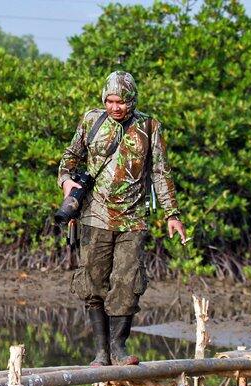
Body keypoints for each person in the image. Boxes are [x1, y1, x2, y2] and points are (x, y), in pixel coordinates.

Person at [57, 71, 186, 366]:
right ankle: (101, 352)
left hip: (132, 218)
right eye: (111, 101)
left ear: (132, 100)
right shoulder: (92, 120)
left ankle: (119, 347)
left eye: (122, 102)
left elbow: (161, 173)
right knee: (93, 282)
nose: (116, 107)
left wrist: (172, 214)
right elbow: (69, 159)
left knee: (127, 282)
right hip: (94, 215)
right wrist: (67, 184)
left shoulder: (149, 126)